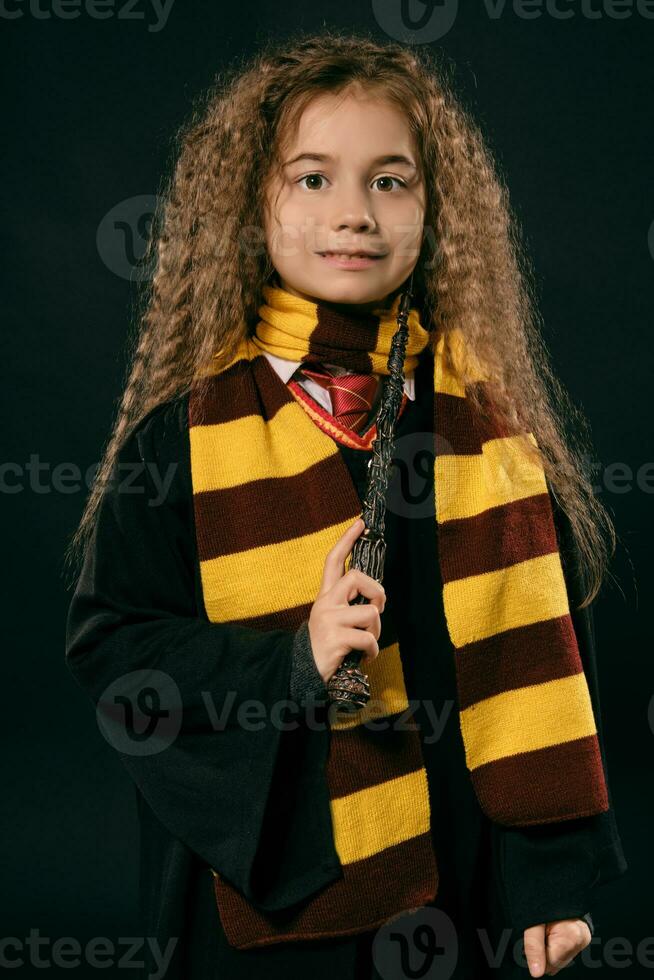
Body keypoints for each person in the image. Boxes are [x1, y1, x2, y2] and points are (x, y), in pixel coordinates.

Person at [64, 31, 627, 980]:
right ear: (252, 201)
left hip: (461, 890)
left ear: (435, 210)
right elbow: (118, 656)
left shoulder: (489, 433)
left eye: (392, 181)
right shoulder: (183, 439)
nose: (356, 214)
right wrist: (296, 657)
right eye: (314, 179)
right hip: (282, 898)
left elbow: (557, 656)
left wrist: (551, 879)